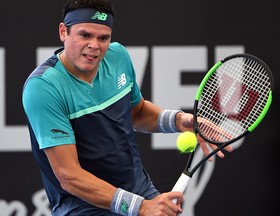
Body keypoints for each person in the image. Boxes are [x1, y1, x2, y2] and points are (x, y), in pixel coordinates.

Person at [22, 0, 233, 215]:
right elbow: (69, 176)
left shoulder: (118, 57)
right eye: (85, 35)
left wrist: (180, 121)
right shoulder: (44, 87)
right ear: (63, 32)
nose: (95, 45)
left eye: (103, 38)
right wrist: (141, 207)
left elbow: (137, 112)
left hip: (139, 190)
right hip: (84, 208)